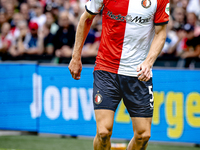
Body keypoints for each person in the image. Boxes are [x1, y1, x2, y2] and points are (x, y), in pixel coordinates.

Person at [68, 0, 169, 150]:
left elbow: (161, 33)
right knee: (103, 132)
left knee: (143, 135)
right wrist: (75, 57)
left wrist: (148, 62)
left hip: (138, 73)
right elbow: (86, 18)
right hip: (106, 69)